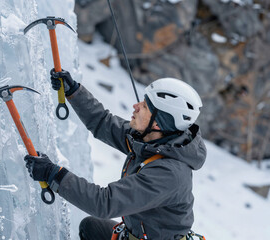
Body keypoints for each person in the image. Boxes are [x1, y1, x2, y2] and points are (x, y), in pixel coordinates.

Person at [24, 69, 207, 240]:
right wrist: (73, 92)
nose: (135, 106)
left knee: (94, 223)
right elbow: (103, 123)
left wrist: (53, 174)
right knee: (91, 227)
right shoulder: (152, 141)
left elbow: (104, 203)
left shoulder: (168, 174)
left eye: (144, 106)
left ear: (157, 123)